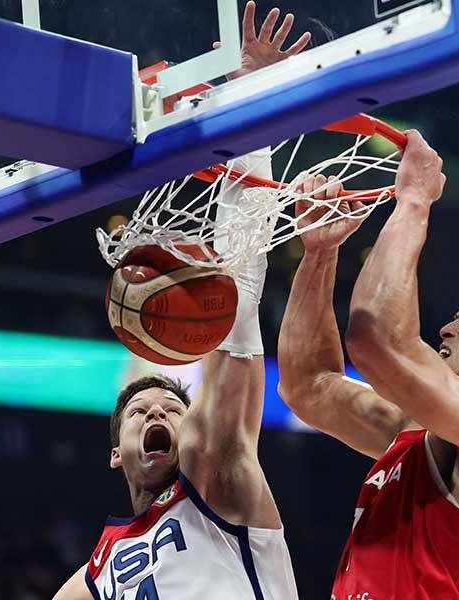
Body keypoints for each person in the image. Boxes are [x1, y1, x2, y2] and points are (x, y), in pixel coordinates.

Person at [53, 4, 310, 599]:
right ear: (116, 454)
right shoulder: (99, 569)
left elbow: (239, 299)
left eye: (171, 411)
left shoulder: (218, 478)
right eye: (141, 414)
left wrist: (250, 104)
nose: (158, 416)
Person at [278, 131, 459, 599]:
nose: (446, 329)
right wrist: (319, 253)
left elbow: (377, 342)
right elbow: (308, 387)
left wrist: (414, 200)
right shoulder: (416, 433)